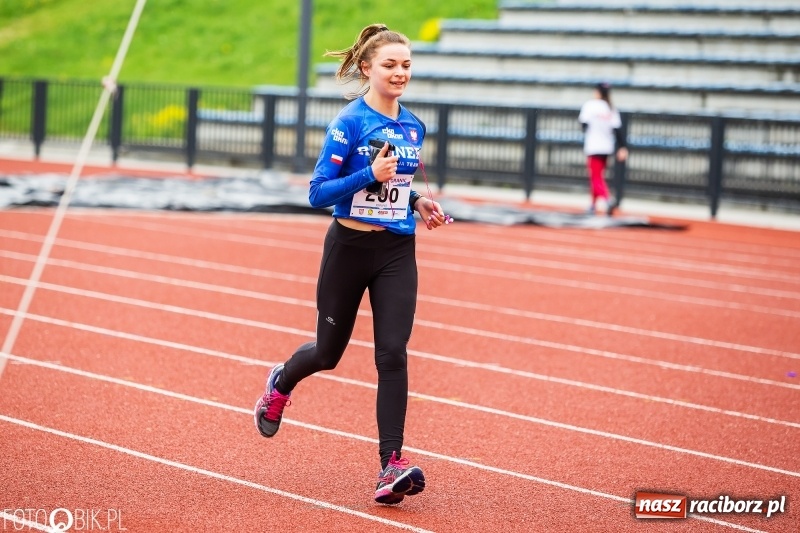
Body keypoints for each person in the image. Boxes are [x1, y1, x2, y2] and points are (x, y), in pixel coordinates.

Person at [253, 23, 449, 505]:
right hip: (349, 249)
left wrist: (419, 202)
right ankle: (280, 381)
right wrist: (369, 173)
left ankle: (390, 466)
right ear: (367, 68)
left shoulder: (413, 126)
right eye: (390, 65)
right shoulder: (349, 123)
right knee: (328, 353)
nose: (399, 72)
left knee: (393, 354)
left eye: (406, 65)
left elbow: (399, 188)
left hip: (396, 252)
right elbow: (319, 192)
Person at [578, 82, 628, 216]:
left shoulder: (590, 105)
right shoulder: (610, 108)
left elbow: (583, 125)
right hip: (607, 146)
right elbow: (617, 130)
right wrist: (622, 147)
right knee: (598, 175)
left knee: (595, 177)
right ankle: (593, 205)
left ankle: (607, 199)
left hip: (594, 146)